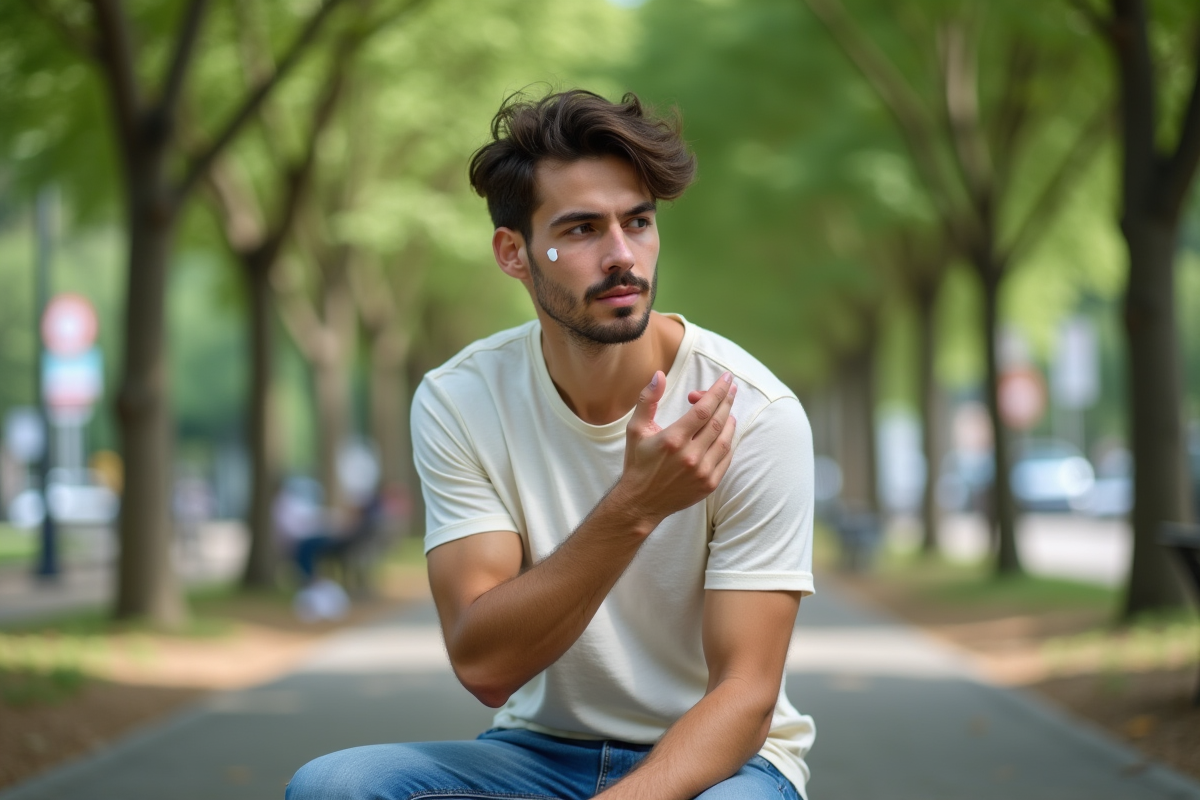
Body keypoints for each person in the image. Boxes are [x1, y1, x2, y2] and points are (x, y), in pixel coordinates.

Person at [287, 89, 816, 800]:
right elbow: (485, 666)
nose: (623, 256)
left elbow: (747, 694)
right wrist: (634, 505)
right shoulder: (461, 399)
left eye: (638, 222)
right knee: (336, 786)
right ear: (515, 252)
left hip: (722, 762)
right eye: (584, 229)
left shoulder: (751, 412)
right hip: (536, 754)